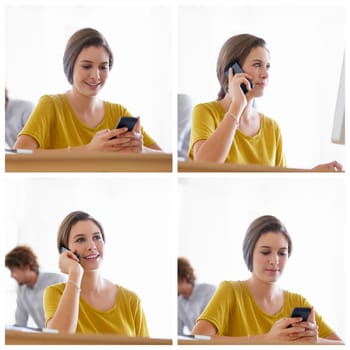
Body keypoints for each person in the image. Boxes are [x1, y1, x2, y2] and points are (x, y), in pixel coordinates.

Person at [188, 33, 342, 171]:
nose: (265, 74)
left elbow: (280, 185)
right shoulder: (205, 112)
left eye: (267, 66)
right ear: (233, 71)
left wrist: (312, 175)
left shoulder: (272, 128)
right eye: (257, 65)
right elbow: (204, 165)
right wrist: (237, 106)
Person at [191, 215, 344, 344]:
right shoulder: (231, 291)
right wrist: (265, 339)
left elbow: (341, 345)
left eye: (282, 253)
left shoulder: (298, 302)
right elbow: (196, 341)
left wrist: (315, 341)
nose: (275, 260)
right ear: (250, 253)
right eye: (265, 252)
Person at [13, 28, 162, 153]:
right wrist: (88, 150)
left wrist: (142, 150)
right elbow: (19, 155)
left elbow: (165, 159)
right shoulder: (51, 105)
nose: (95, 76)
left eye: (103, 67)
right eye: (86, 66)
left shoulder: (118, 112)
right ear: (71, 66)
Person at [43, 210, 149, 335]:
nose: (92, 246)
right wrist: (75, 273)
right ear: (65, 250)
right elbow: (58, 343)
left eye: (97, 237)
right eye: (81, 239)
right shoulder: (55, 294)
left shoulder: (131, 300)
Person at [5, 245, 66, 329]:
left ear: (26, 267)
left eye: (13, 271)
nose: (12, 276)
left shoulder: (57, 280)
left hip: (65, 337)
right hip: (44, 338)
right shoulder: (21, 290)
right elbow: (20, 323)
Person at [178, 257, 216, 335]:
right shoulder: (179, 302)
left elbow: (212, 328)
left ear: (183, 279)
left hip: (215, 342)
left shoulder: (209, 292)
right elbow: (178, 333)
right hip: (197, 344)